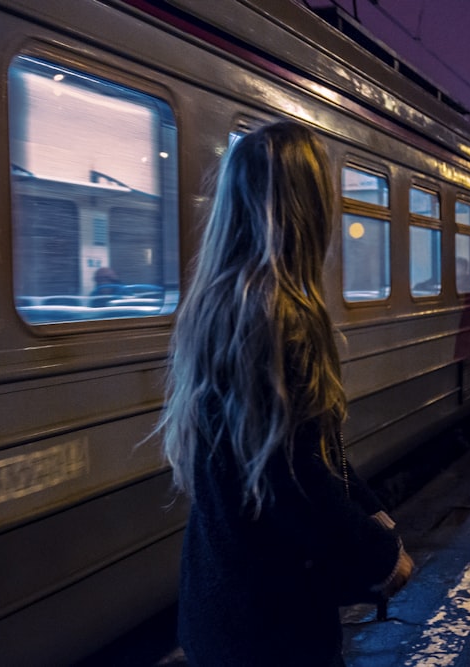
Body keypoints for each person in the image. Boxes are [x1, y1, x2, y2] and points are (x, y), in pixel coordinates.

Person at [158, 120, 413, 666]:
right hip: (272, 627)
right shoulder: (282, 320)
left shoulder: (215, 307)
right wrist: (384, 557)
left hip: (220, 600)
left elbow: (302, 461)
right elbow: (297, 483)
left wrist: (374, 515)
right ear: (307, 208)